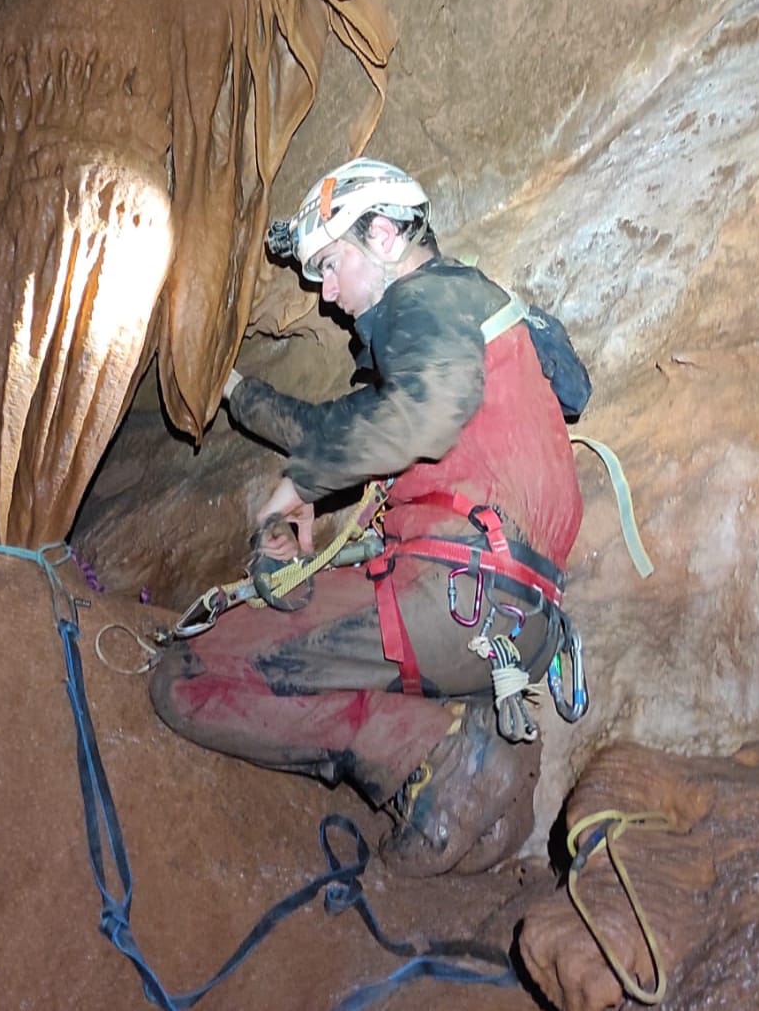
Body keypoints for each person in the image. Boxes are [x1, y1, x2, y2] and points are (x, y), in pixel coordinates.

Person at [148, 158, 584, 876]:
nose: (324, 293)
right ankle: (482, 770)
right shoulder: (468, 334)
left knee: (184, 677)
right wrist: (231, 390)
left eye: (329, 264)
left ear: (383, 235)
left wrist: (302, 486)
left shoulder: (430, 297)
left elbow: (425, 416)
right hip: (518, 628)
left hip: (448, 599)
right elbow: (333, 426)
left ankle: (425, 753)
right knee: (304, 645)